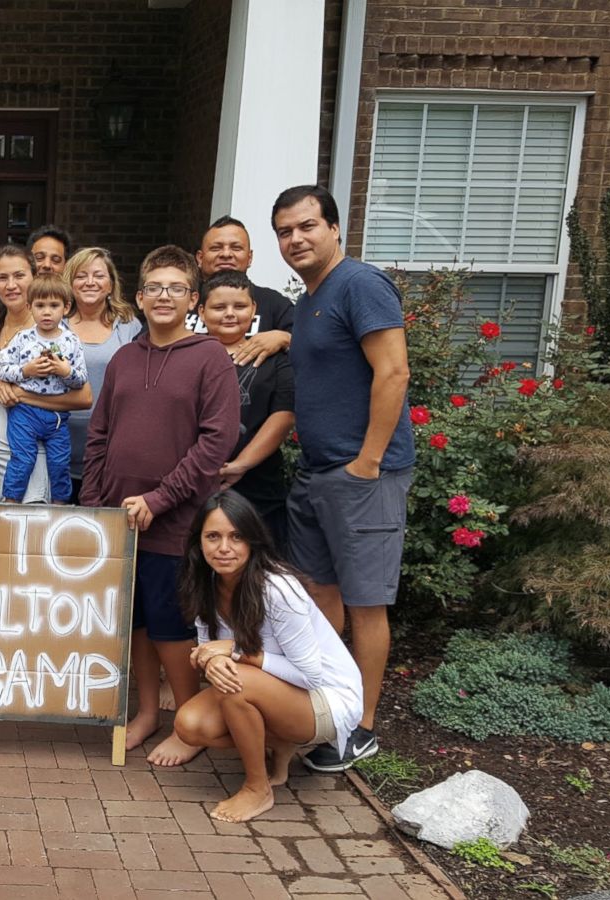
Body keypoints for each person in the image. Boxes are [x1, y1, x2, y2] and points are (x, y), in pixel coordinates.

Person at [272, 184, 413, 773]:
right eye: (285, 231)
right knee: (319, 595)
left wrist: (369, 461)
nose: (296, 239)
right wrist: (279, 337)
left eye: (307, 226)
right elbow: (325, 356)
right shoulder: (310, 301)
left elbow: (394, 370)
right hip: (316, 472)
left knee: (366, 603)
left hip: (362, 475)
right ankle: (329, 706)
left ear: (333, 228)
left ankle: (362, 727)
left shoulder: (360, 283)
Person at [82, 244, 239, 767]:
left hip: (175, 517)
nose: (164, 296)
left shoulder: (209, 357)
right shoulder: (127, 357)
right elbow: (100, 433)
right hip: (119, 519)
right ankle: (145, 713)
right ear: (141, 297)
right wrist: (94, 506)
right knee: (137, 624)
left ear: (192, 298)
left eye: (176, 288)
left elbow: (216, 442)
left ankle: (187, 724)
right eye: (155, 287)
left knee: (172, 625)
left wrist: (160, 497)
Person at [172, 491, 363, 823]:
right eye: (213, 537)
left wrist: (232, 654)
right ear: (198, 542)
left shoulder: (277, 588)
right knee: (189, 725)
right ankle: (281, 750)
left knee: (236, 683)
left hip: (327, 699)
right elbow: (207, 649)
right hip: (277, 690)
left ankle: (258, 790)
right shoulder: (205, 582)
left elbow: (309, 675)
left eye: (236, 537)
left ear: (252, 541)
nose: (224, 548)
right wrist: (212, 660)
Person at [0, 245, 91, 504]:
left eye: (19, 276)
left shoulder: (58, 336)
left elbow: (83, 398)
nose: (11, 285)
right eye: (2, 277)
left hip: (31, 480)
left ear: (34, 278)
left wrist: (19, 394)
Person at [200, 271, 296, 545]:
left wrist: (241, 464)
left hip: (260, 489)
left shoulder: (274, 359)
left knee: (259, 570)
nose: (230, 314)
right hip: (197, 485)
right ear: (202, 311)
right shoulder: (186, 355)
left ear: (253, 309)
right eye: (219, 307)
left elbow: (284, 414)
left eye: (239, 306)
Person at [0, 276, 86, 504]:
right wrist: (26, 371)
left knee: (59, 462)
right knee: (23, 459)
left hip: (57, 417)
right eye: (40, 305)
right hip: (24, 412)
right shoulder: (22, 339)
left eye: (54, 306)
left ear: (66, 308)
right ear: (29, 307)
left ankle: (60, 505)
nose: (47, 312)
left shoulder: (72, 341)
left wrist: (66, 371)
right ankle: (11, 501)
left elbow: (81, 380)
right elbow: (1, 369)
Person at [63, 247, 143, 500]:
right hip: (58, 442)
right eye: (81, 275)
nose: (89, 282)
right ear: (70, 283)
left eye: (98, 275)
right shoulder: (53, 323)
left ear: (110, 285)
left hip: (110, 446)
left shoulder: (129, 325)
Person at [188, 216, 296, 368]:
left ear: (249, 257)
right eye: (216, 248)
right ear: (200, 258)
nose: (226, 254)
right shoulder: (182, 300)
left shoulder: (274, 303)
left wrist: (283, 338)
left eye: (236, 248)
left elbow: (310, 344)